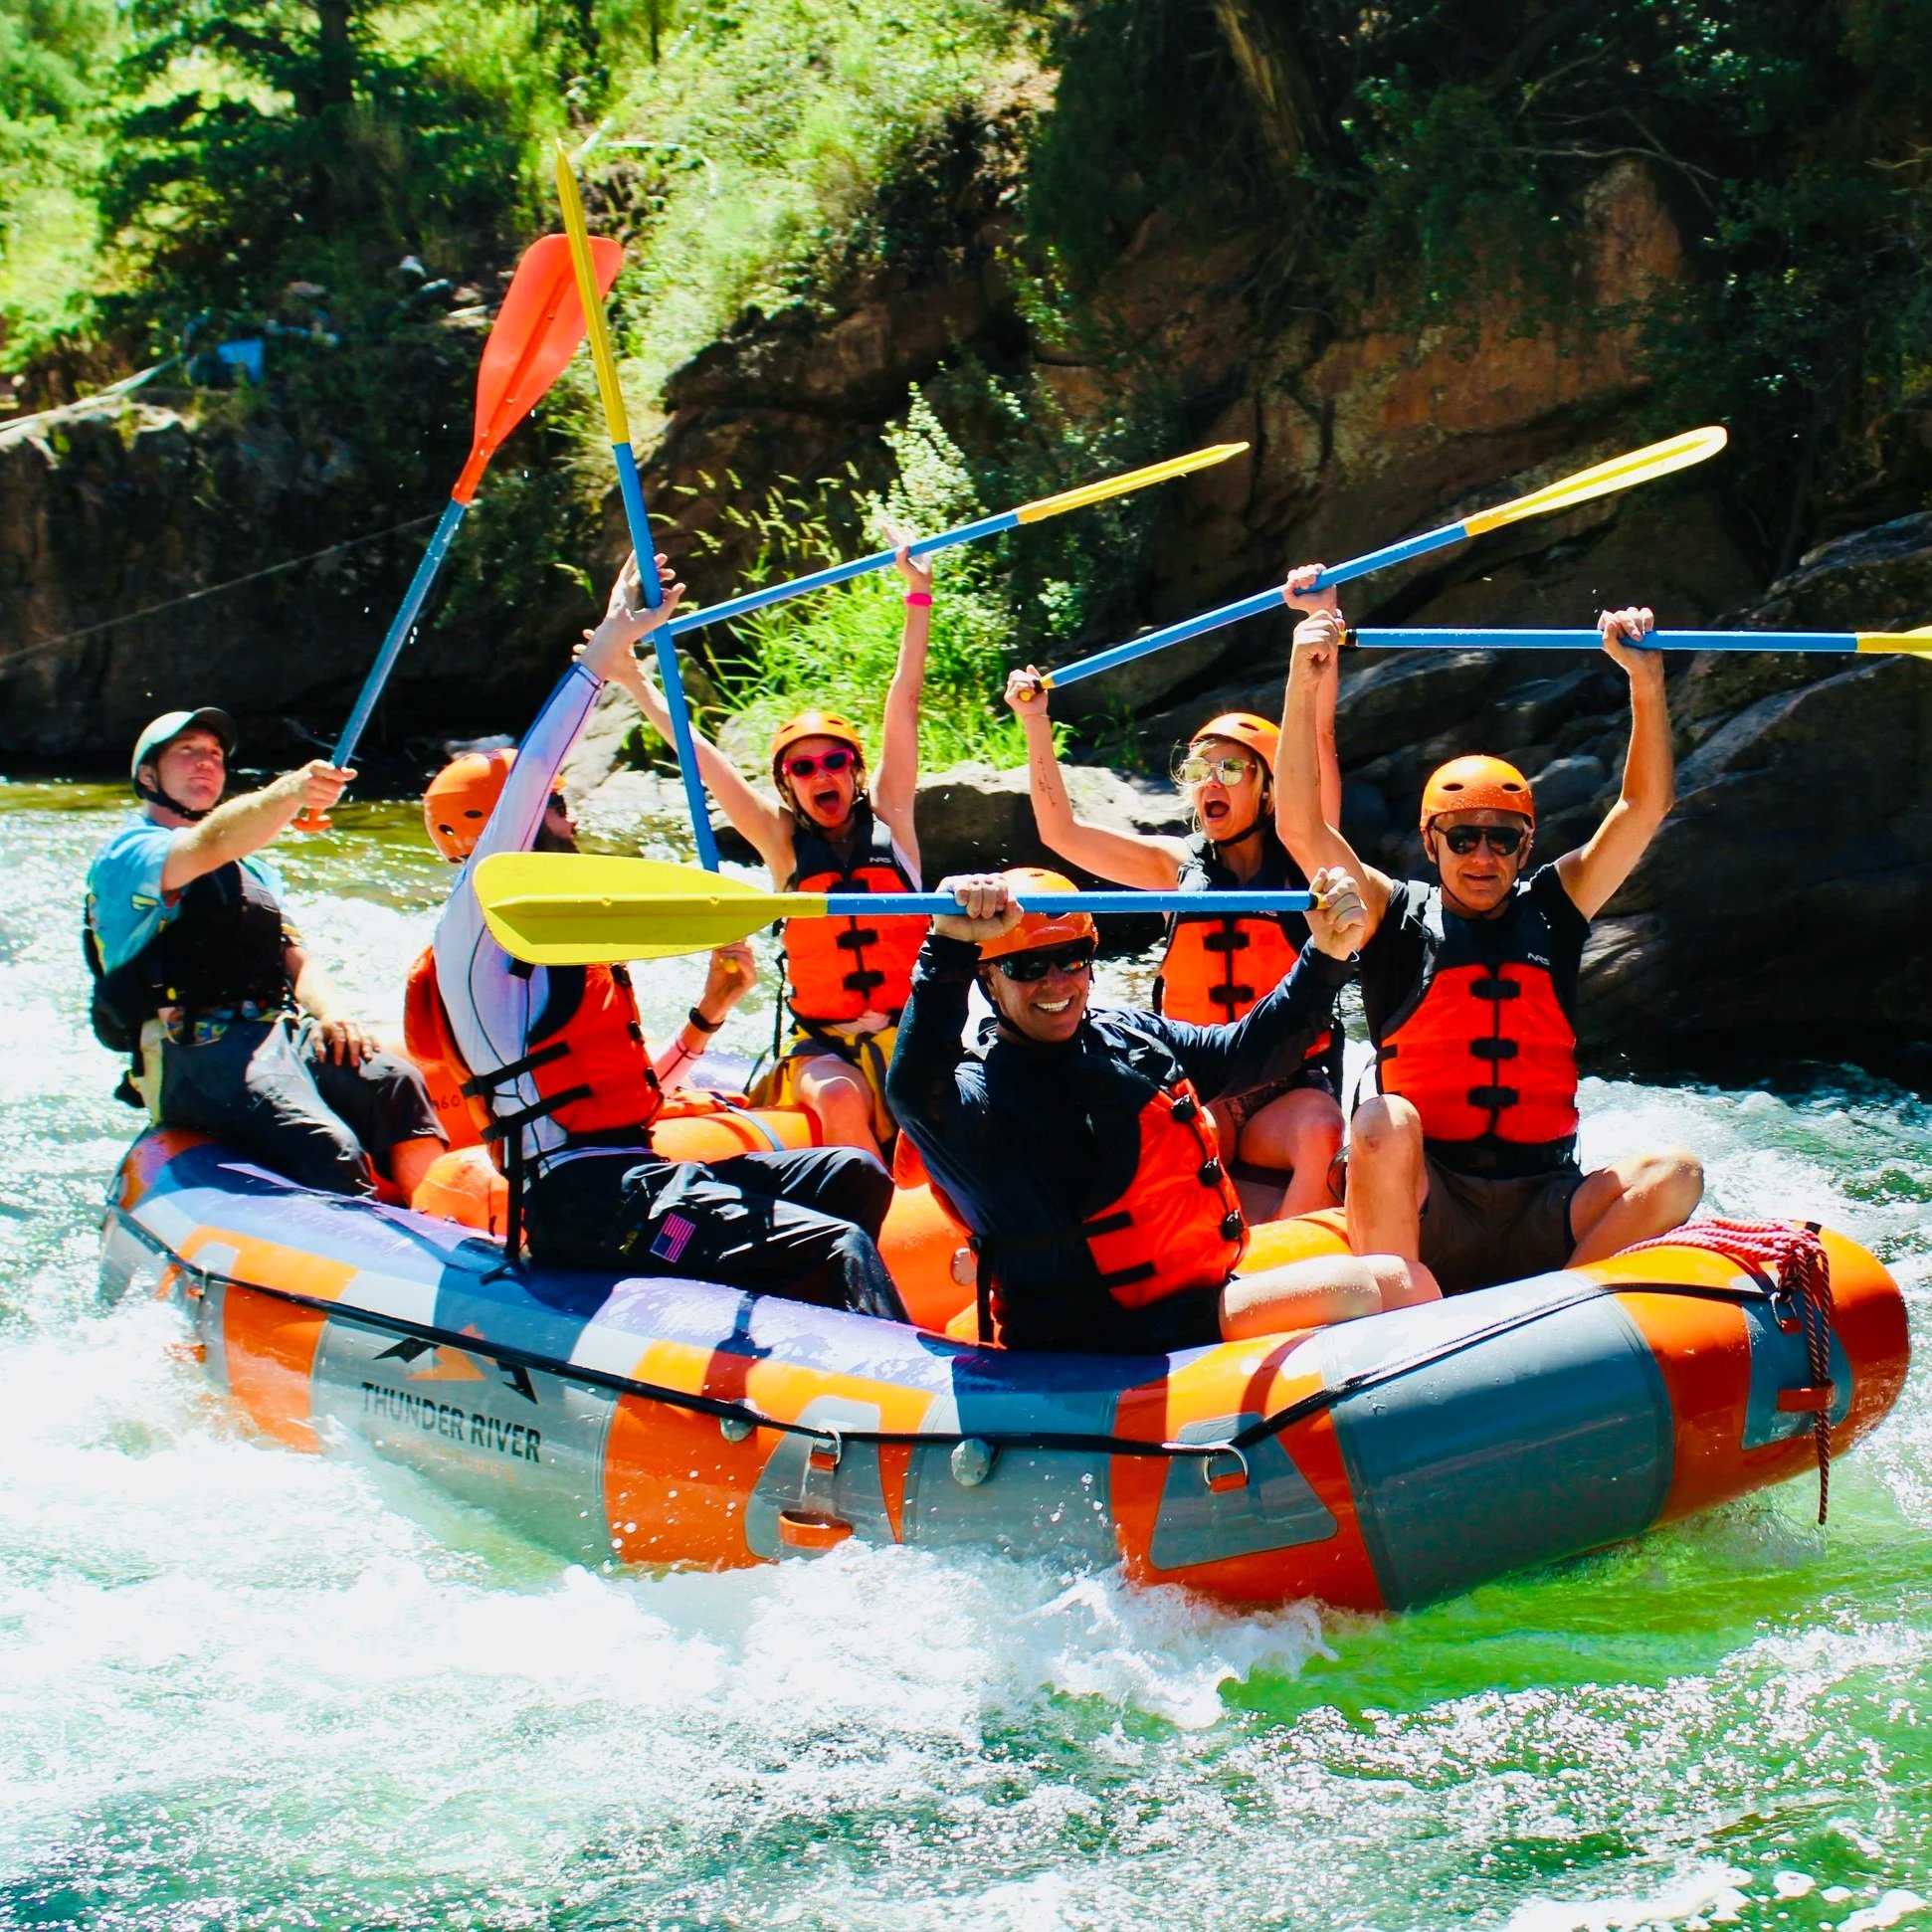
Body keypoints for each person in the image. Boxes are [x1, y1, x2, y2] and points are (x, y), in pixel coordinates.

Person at [425, 552, 906, 1320]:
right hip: (587, 1209)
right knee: (834, 1243)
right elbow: (532, 772)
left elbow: (633, 1089)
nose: (571, 817)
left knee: (853, 1176)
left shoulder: (565, 932)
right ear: (502, 831)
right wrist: (602, 658)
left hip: (648, 1180)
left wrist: (711, 1012)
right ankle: (886, 1402)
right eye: (554, 808)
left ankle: (798, 1339)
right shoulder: (474, 940)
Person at [1275, 564, 1704, 1294]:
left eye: (1502, 839)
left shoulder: (1555, 906)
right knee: (1381, 1115)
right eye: (1463, 836)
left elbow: (1645, 808)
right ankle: (1393, 1310)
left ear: (1526, 847)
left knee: (1677, 1174)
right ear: (1430, 840)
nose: (1482, 854)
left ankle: (1561, 1309)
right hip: (1430, 1204)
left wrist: (1644, 680)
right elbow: (1299, 824)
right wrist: (1304, 673)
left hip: (1544, 1206)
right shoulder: (1394, 914)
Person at [885, 866, 1438, 1353]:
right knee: (1366, 1288)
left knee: (1404, 1280)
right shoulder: (981, 1099)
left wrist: (1325, 955)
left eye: (1071, 958)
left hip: (1188, 1297)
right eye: (1028, 967)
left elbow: (1247, 1052)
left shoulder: (1126, 1037)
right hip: (1100, 1338)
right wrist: (947, 950)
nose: (1056, 982)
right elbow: (913, 1092)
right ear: (988, 980)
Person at [619, 526, 933, 1154]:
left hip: (914, 1032)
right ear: (788, 787)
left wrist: (917, 596)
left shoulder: (892, 816)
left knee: (935, 1094)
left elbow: (904, 701)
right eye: (803, 767)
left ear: (855, 771)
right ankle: (867, 1235)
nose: (822, 774)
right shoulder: (780, 841)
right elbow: (700, 756)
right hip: (821, 1044)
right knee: (842, 1097)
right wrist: (630, 675)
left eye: (834, 761)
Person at [1004, 667, 1345, 1215]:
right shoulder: (1175, 866)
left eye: (1231, 769)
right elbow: (1060, 833)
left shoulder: (1309, 860)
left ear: (1270, 787)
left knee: (1322, 1131)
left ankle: (1285, 1263)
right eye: (1198, 769)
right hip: (1205, 1075)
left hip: (1286, 1086)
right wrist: (1036, 722)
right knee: (1169, 1135)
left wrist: (1315, 656)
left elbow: (1320, 745)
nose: (1211, 781)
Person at [84, 709, 445, 1198]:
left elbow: (293, 953)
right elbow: (209, 842)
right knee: (326, 1142)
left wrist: (334, 1015)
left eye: (214, 754)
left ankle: (441, 1222)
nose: (205, 763)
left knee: (394, 1083)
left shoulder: (252, 869)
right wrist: (291, 792)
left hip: (276, 1032)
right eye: (186, 751)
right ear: (149, 776)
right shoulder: (131, 853)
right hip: (194, 1051)